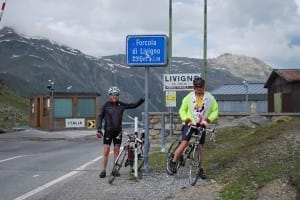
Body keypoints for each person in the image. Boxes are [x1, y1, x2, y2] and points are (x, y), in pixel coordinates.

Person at [169, 76, 218, 179]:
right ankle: (173, 161)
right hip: (190, 123)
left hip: (202, 124)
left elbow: (215, 111)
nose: (198, 89)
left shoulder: (210, 98)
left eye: (200, 87)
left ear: (204, 87)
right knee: (185, 142)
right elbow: (182, 110)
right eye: (196, 87)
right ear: (194, 87)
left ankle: (201, 170)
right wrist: (188, 120)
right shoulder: (189, 97)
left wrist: (207, 120)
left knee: (201, 147)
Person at [96, 86, 145, 178]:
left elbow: (134, 105)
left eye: (116, 94)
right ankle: (103, 170)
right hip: (108, 131)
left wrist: (142, 99)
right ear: (109, 95)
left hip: (118, 132)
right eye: (112, 94)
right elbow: (100, 117)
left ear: (118, 95)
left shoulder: (121, 105)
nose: (114, 96)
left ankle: (115, 170)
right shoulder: (105, 105)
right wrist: (99, 129)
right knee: (106, 151)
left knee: (116, 151)